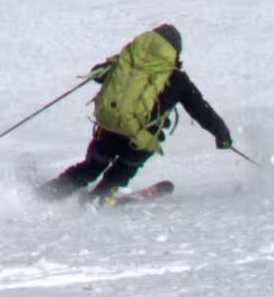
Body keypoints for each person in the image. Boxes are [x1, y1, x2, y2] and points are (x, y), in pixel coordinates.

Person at [49, 21, 232, 200]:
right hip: (140, 139)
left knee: (92, 166)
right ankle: (101, 198)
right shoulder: (176, 78)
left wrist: (112, 66)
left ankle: (54, 190)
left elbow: (97, 73)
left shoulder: (125, 61)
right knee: (122, 170)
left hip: (109, 128)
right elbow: (201, 110)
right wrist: (222, 134)